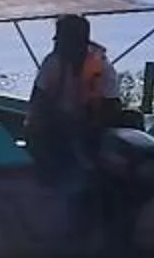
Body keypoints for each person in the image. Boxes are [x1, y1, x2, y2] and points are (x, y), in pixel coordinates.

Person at [23, 13, 115, 174]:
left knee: (131, 118)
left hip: (93, 123)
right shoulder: (52, 63)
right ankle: (48, 174)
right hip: (57, 124)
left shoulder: (103, 67)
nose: (57, 45)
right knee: (39, 127)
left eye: (63, 40)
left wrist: (91, 125)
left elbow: (113, 105)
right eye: (57, 40)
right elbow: (37, 103)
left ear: (80, 43)